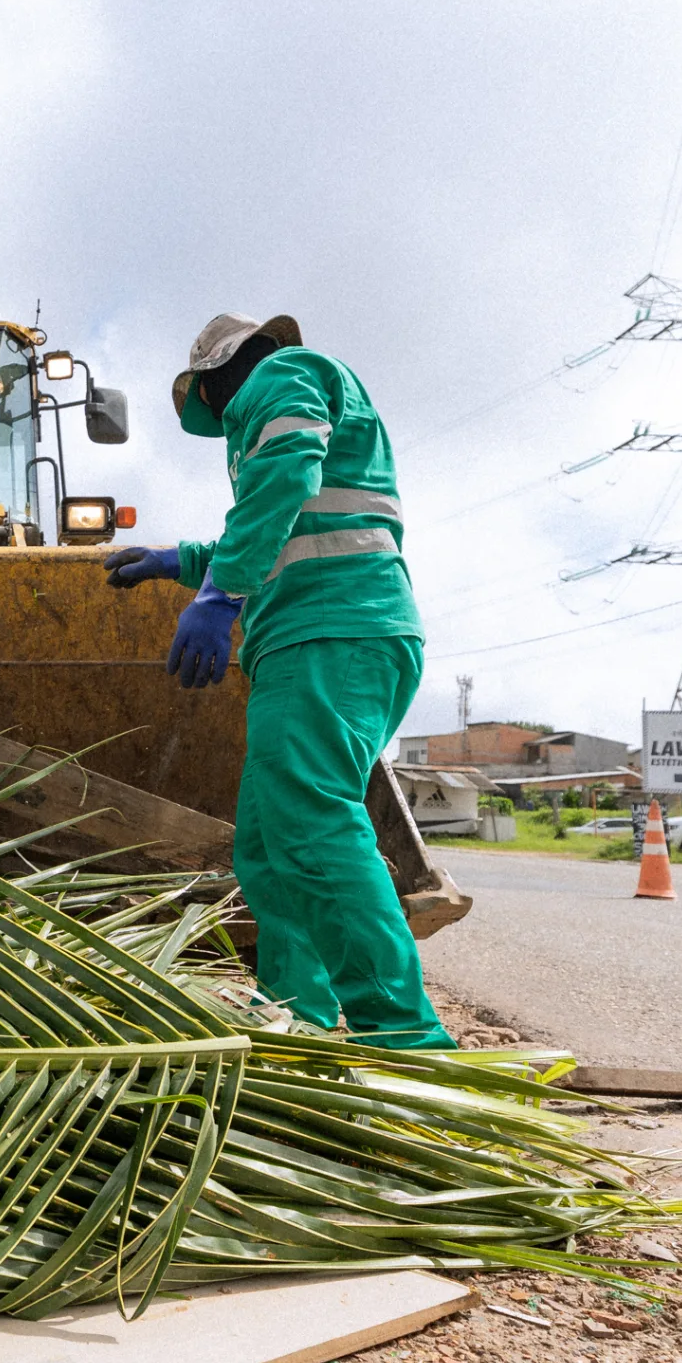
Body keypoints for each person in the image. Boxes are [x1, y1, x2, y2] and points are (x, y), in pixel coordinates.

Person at [101, 314, 452, 1049]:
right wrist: (182, 560)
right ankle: (299, 1009)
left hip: (333, 630)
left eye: (211, 401)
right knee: (266, 841)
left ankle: (403, 1033)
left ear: (221, 372)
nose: (222, 419)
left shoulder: (283, 375)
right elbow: (282, 518)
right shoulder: (284, 394)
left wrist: (221, 593)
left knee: (313, 819)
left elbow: (289, 468)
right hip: (317, 638)